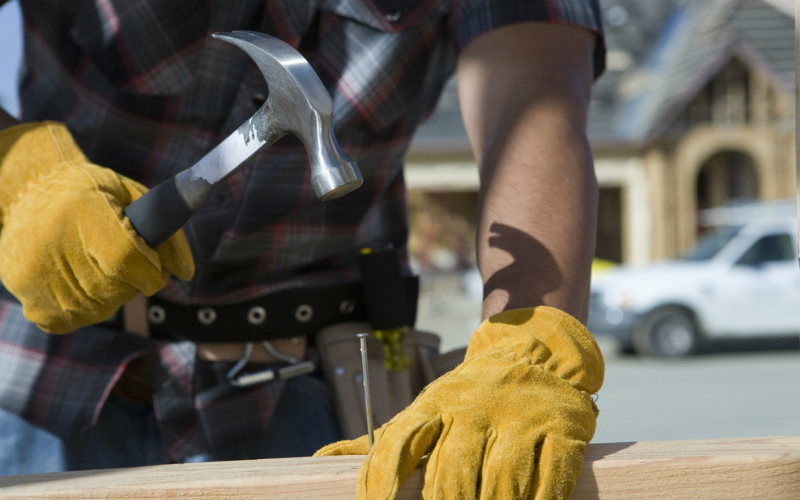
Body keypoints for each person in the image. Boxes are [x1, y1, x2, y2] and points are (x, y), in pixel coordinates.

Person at [0, 0, 605, 498]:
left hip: (306, 393)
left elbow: (535, 100)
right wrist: (18, 179)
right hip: (46, 380)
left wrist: (523, 338)